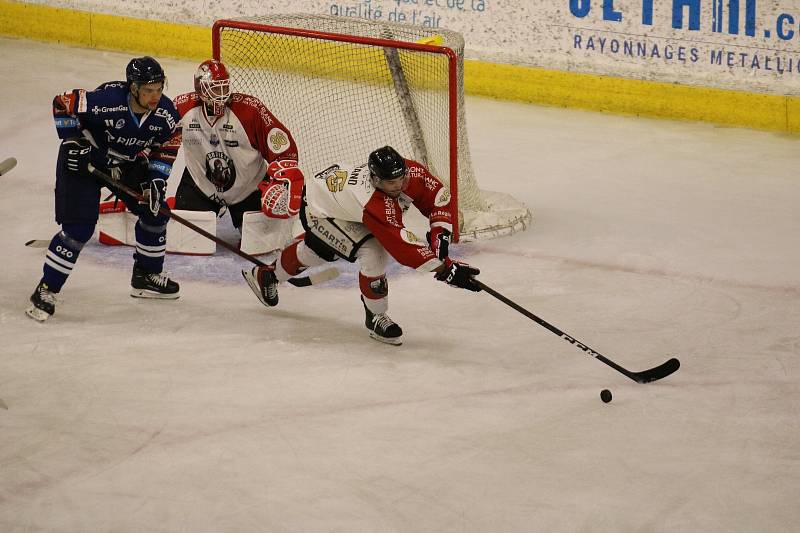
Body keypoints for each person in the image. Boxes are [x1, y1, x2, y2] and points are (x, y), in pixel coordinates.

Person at [242, 145, 482, 345]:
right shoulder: (374, 202)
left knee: (318, 251)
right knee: (373, 252)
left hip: (337, 202)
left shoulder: (409, 174)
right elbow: (403, 246)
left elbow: (438, 198)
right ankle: (376, 317)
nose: (398, 185)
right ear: (375, 179)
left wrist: (441, 241)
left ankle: (268, 276)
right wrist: (444, 270)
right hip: (319, 211)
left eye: (401, 178)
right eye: (391, 182)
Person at [26, 56, 182, 322]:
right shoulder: (106, 101)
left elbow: (168, 144)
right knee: (78, 229)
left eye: (159, 88)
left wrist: (157, 179)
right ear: (133, 88)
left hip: (125, 163)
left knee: (156, 212)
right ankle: (46, 289)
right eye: (148, 90)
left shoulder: (165, 114)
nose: (155, 96)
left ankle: (145, 276)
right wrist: (72, 141)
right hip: (83, 162)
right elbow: (62, 103)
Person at [171, 59, 304, 234]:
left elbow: (284, 151)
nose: (222, 93)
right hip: (200, 186)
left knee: (259, 244)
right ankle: (173, 204)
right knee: (188, 238)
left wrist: (279, 184)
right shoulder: (182, 108)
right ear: (201, 89)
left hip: (248, 189)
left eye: (224, 87)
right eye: (216, 88)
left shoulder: (250, 111)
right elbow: (157, 140)